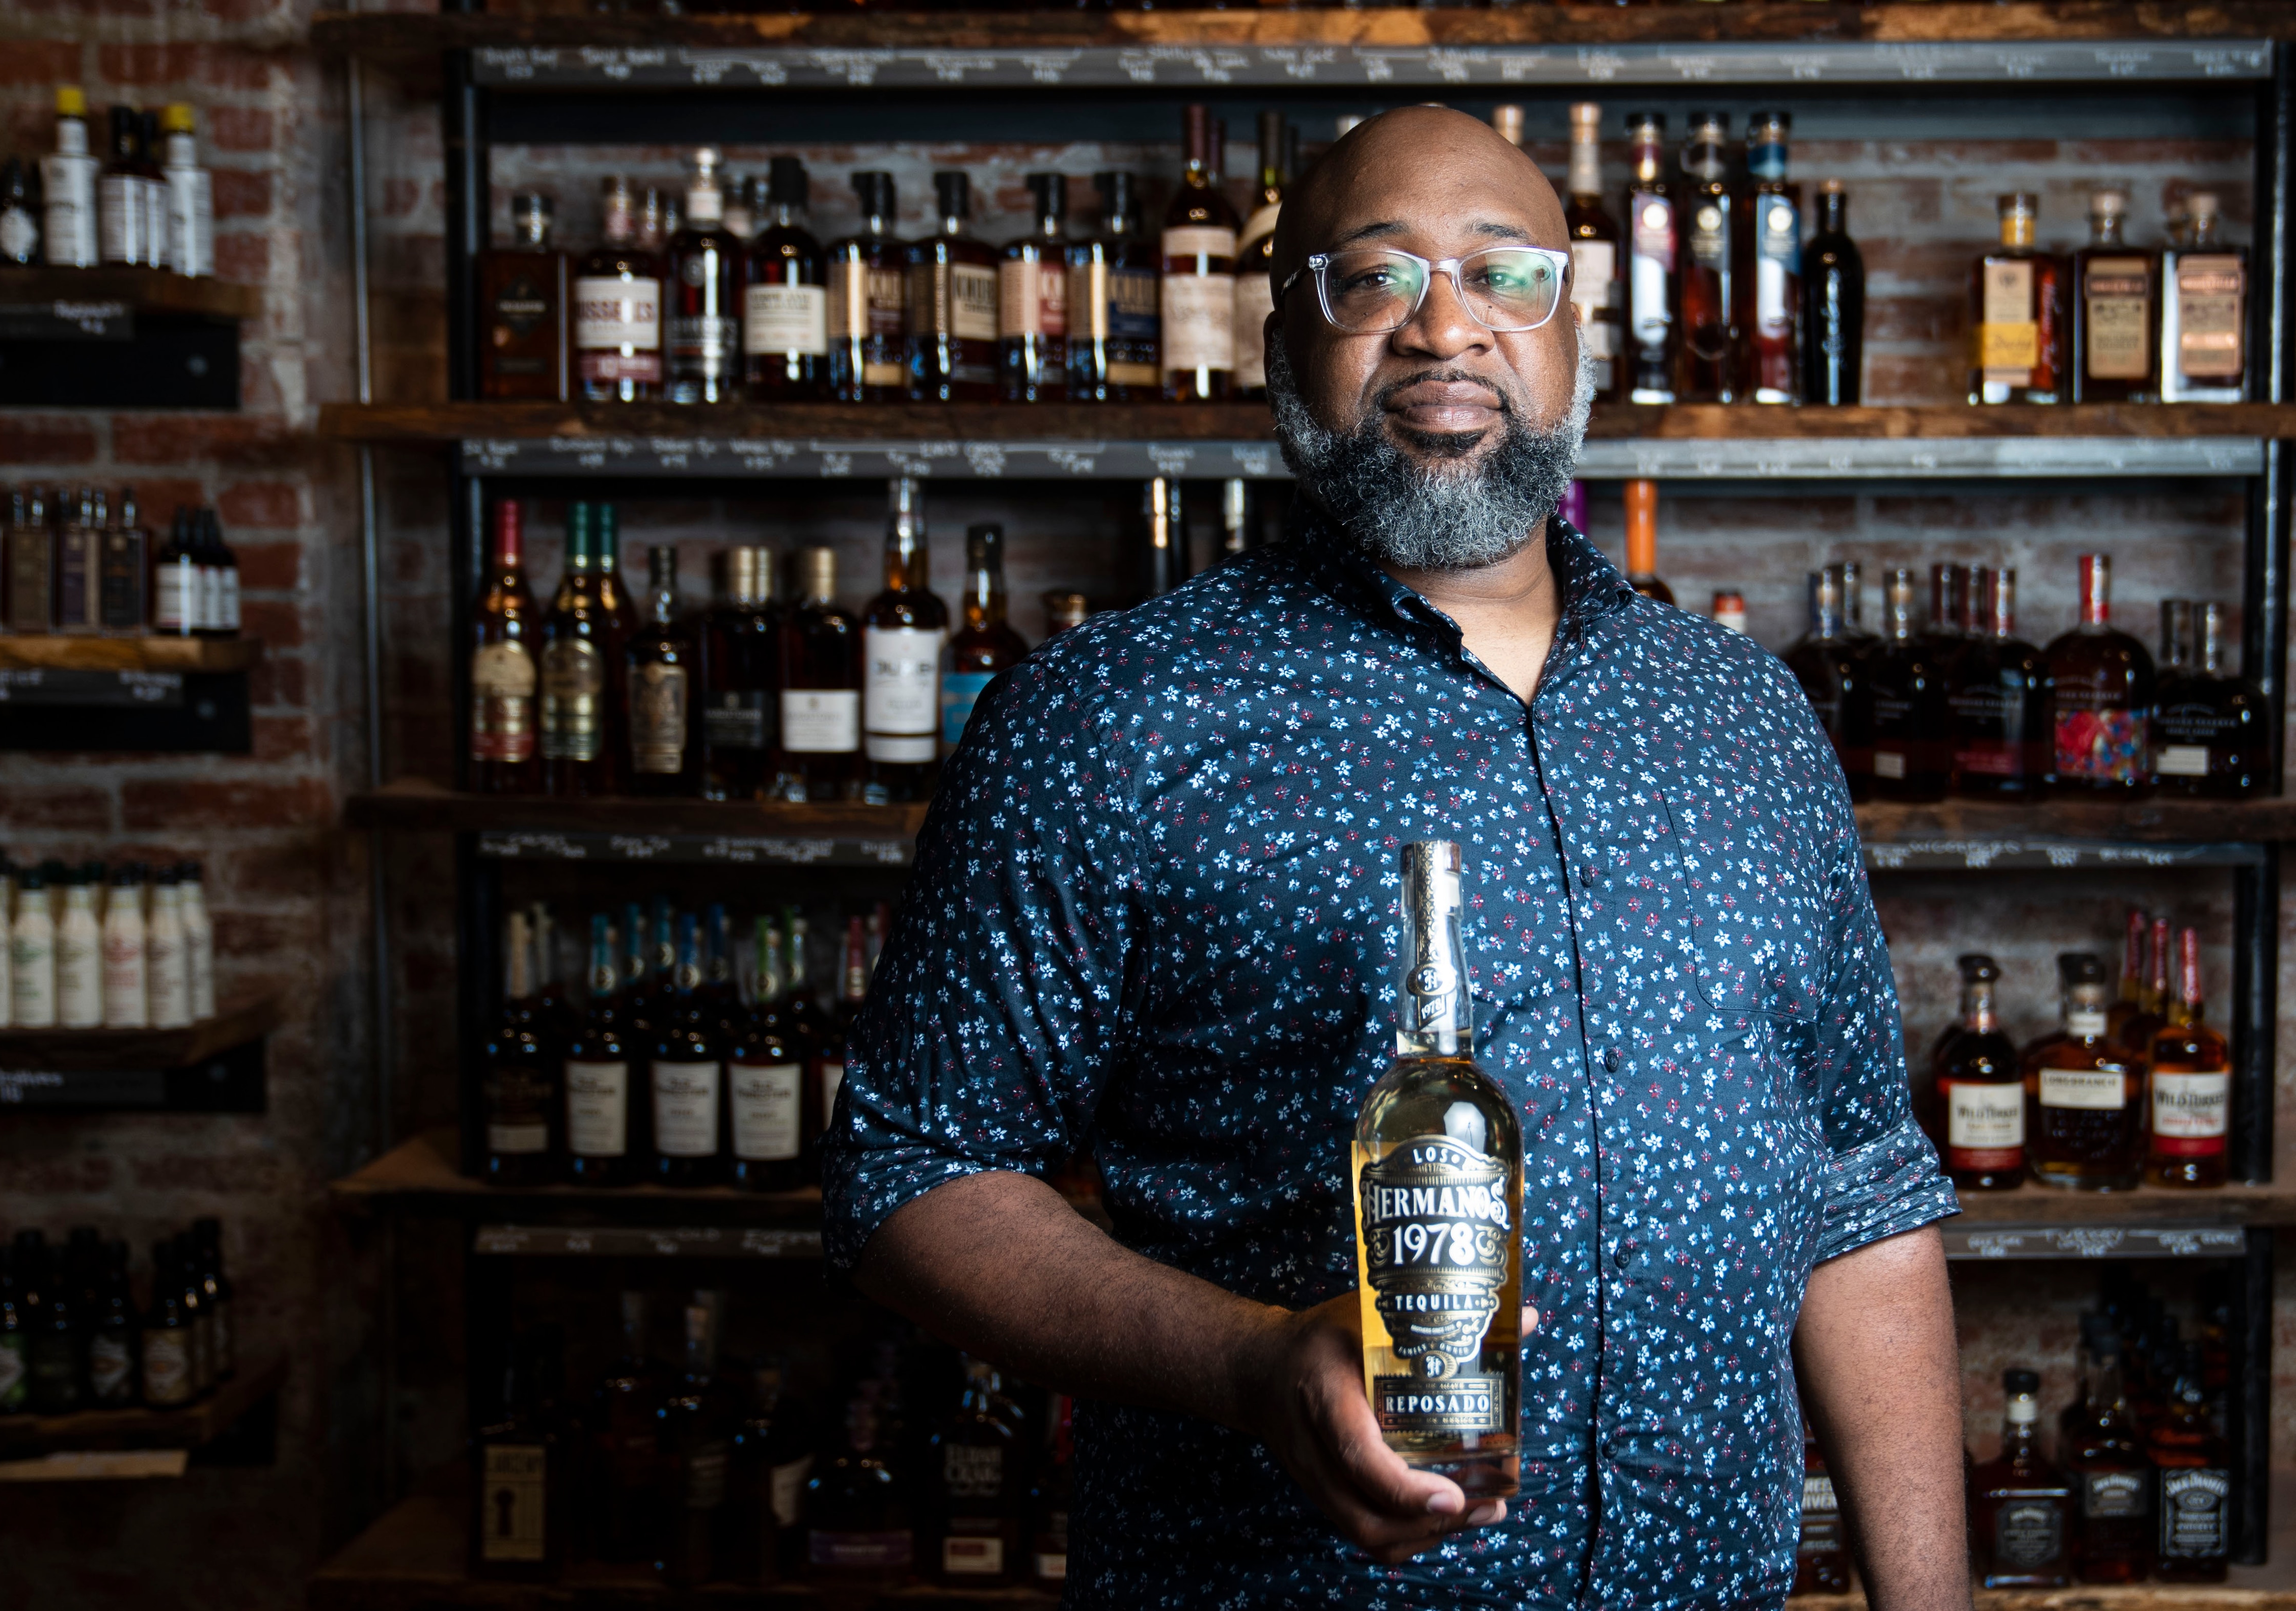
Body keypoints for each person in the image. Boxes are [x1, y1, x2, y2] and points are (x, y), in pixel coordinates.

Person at [820, 105, 1966, 1608]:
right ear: (1284, 334)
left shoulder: (1741, 713)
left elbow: (1860, 1194)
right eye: (1374, 280)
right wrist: (1247, 1361)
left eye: (1507, 277)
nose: (1448, 329)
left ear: (1577, 332)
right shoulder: (1113, 717)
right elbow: (913, 1172)